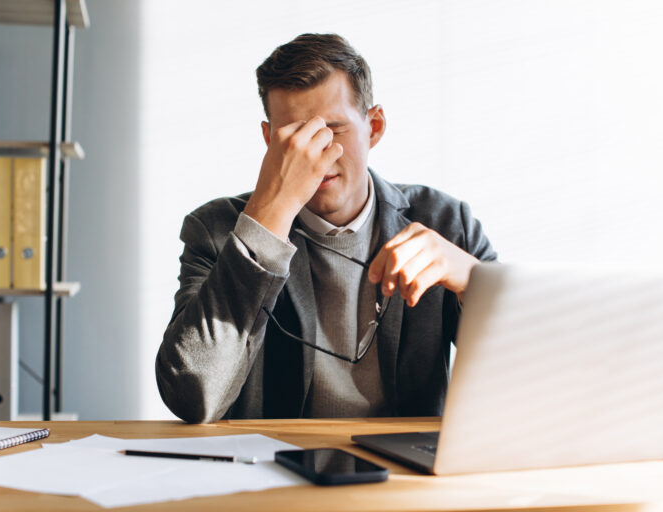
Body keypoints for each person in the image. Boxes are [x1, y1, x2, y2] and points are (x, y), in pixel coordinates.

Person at [156, 33, 497, 424]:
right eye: (294, 139)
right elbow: (191, 397)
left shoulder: (447, 224)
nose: (317, 155)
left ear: (375, 126)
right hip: (273, 468)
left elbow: (525, 383)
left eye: (333, 131)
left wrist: (473, 282)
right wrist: (270, 214)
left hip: (404, 475)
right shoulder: (216, 231)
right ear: (269, 140)